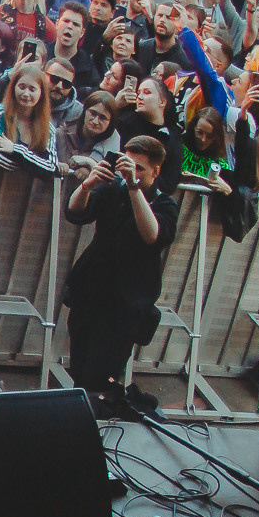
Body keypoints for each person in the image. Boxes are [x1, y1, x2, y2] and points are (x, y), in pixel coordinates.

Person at [60, 134, 180, 416]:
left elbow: (152, 235)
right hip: (91, 288)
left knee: (101, 372)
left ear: (155, 171)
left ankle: (95, 421)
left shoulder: (165, 204)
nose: (131, 173)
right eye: (128, 164)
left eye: (139, 168)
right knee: (80, 364)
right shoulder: (112, 189)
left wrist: (134, 188)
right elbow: (76, 213)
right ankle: (81, 417)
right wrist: (88, 185)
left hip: (127, 300)